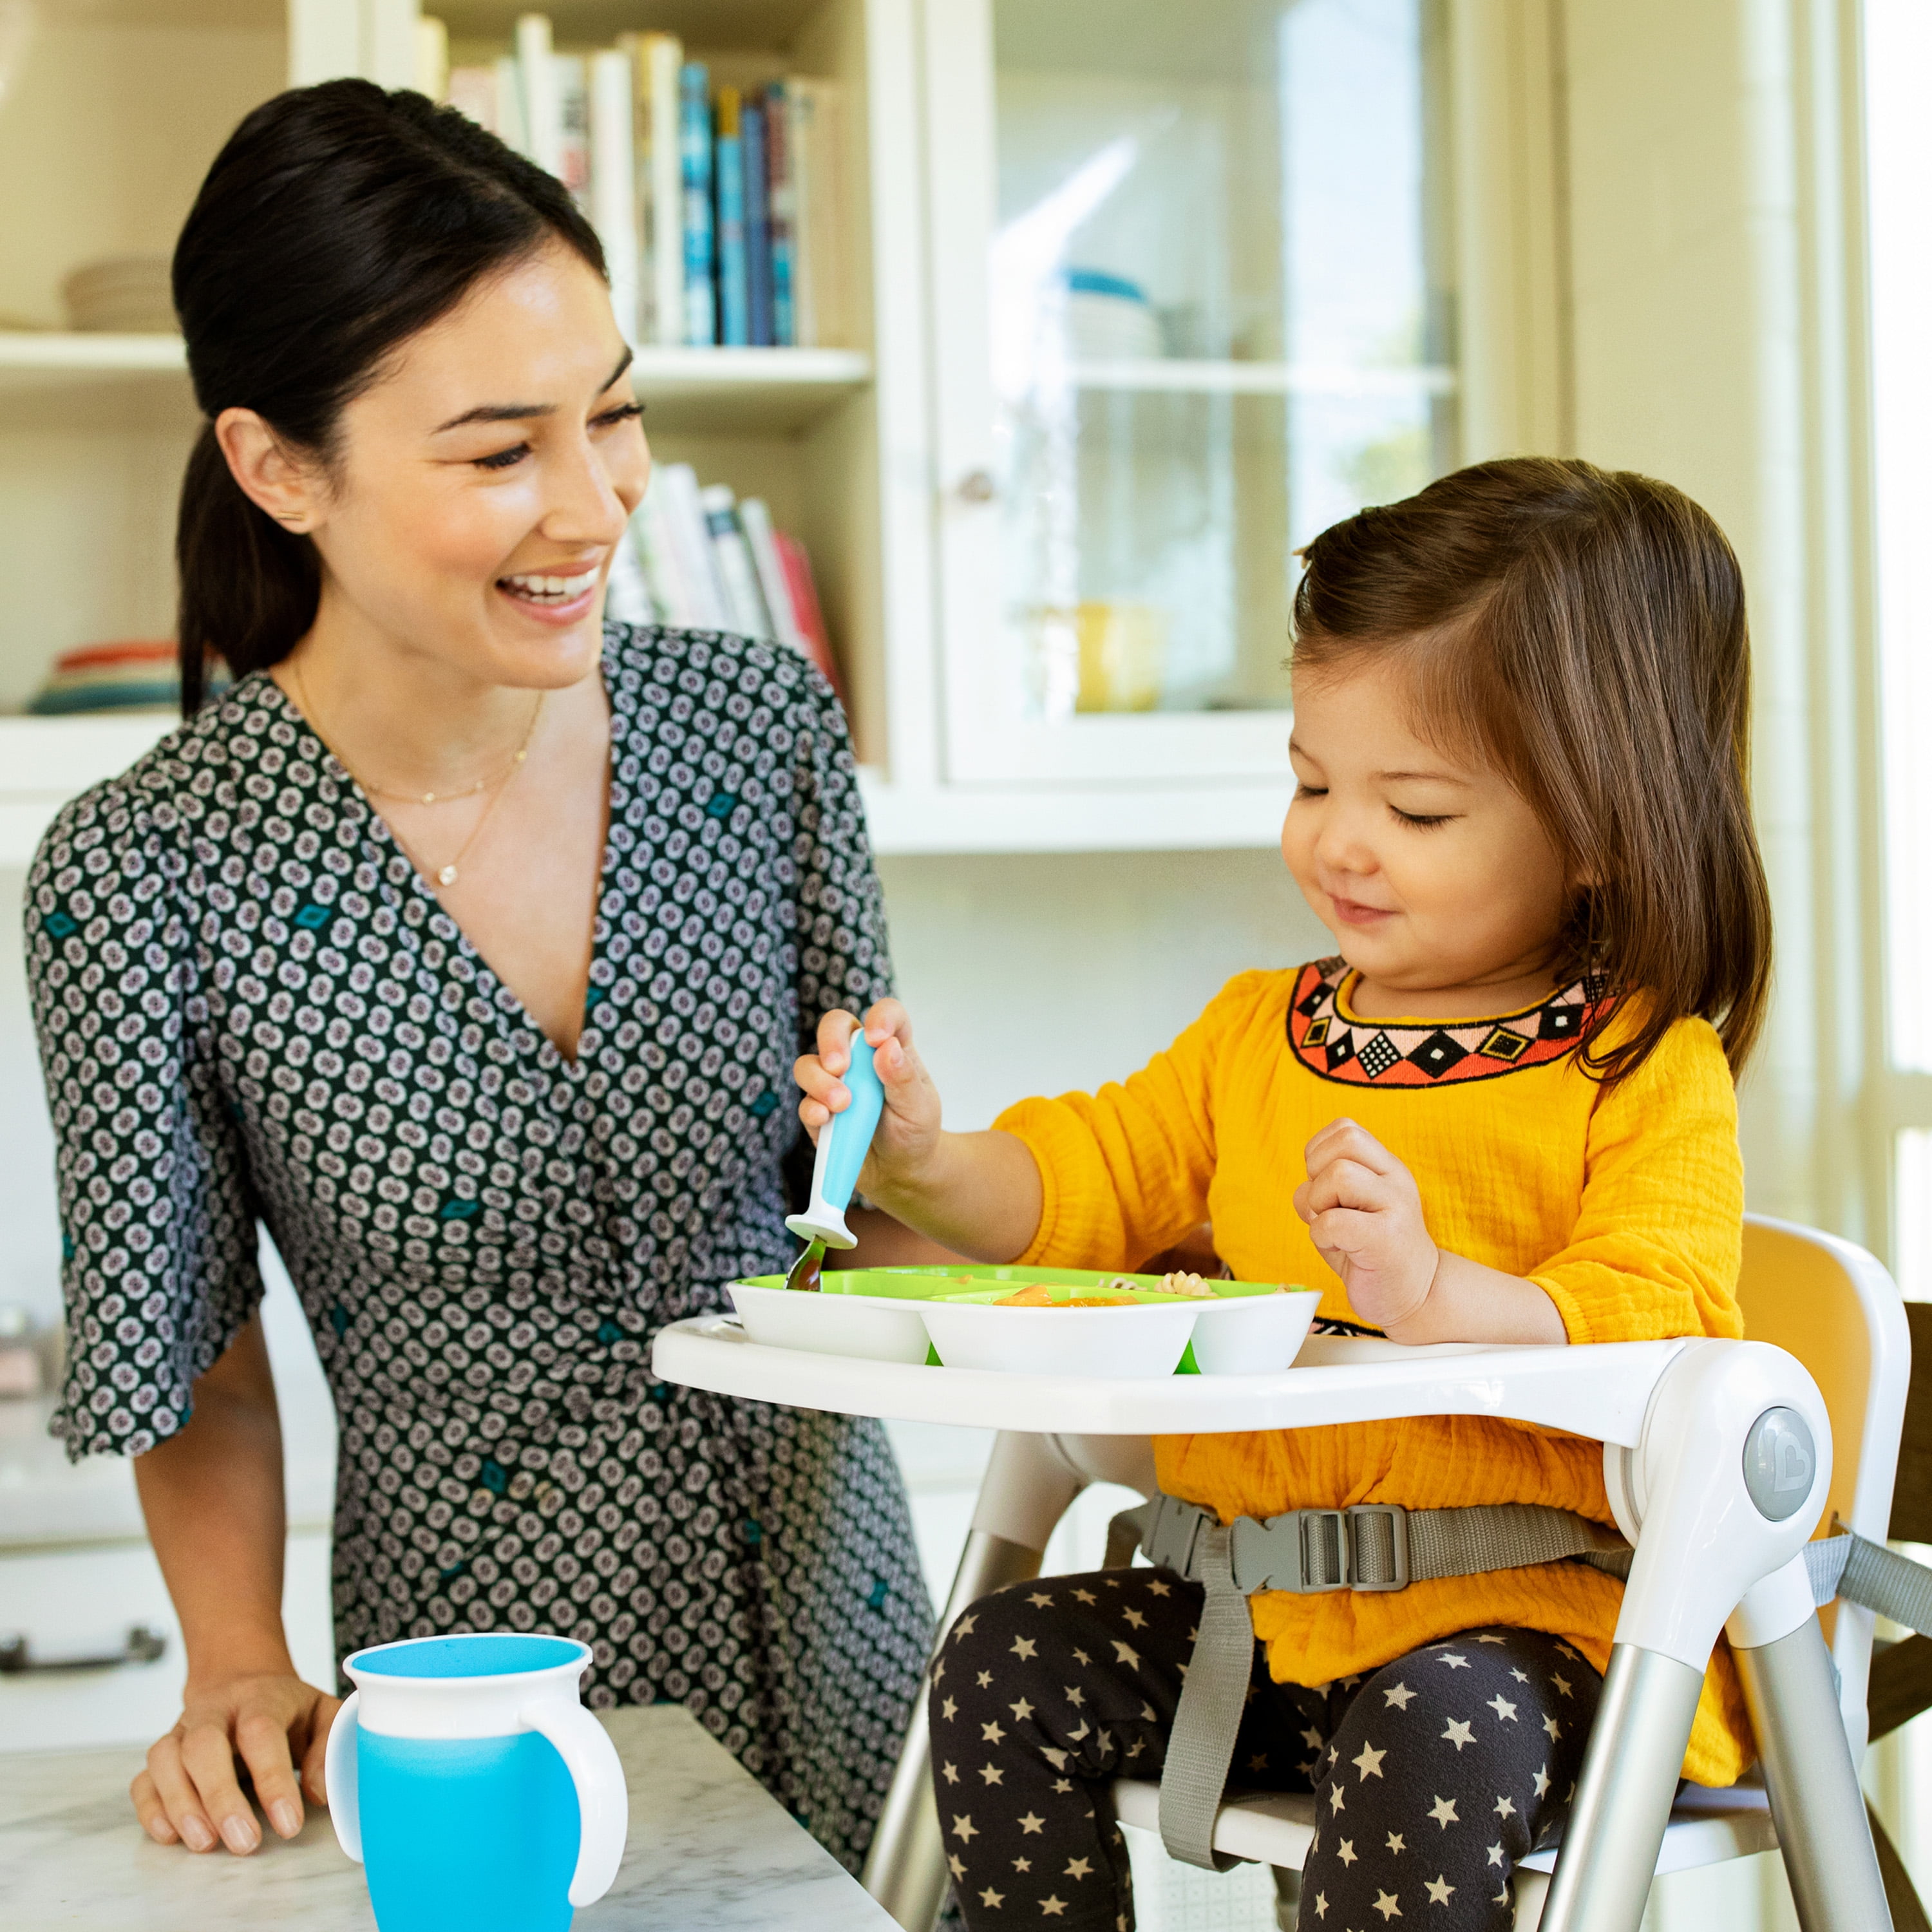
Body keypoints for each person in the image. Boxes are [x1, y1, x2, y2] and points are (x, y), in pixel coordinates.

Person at [26, 80, 933, 1873]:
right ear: (280, 466)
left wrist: (930, 1171)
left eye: (615, 418)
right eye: (501, 451)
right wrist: (230, 1664)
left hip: (852, 1643)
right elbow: (191, 1353)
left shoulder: (757, 729)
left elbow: (868, 1214)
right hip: (483, 1697)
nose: (598, 506)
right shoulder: (144, 870)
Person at [794, 458, 1774, 1931]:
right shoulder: (1262, 1033)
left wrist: (1438, 1299)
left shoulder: (1645, 1066)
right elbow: (1083, 1185)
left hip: (1521, 1641)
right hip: (1250, 1622)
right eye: (1313, 780)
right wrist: (925, 1157)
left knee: (1421, 1737)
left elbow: (1662, 1320)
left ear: (1597, 830)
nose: (1339, 839)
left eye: (1419, 810)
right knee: (997, 1663)